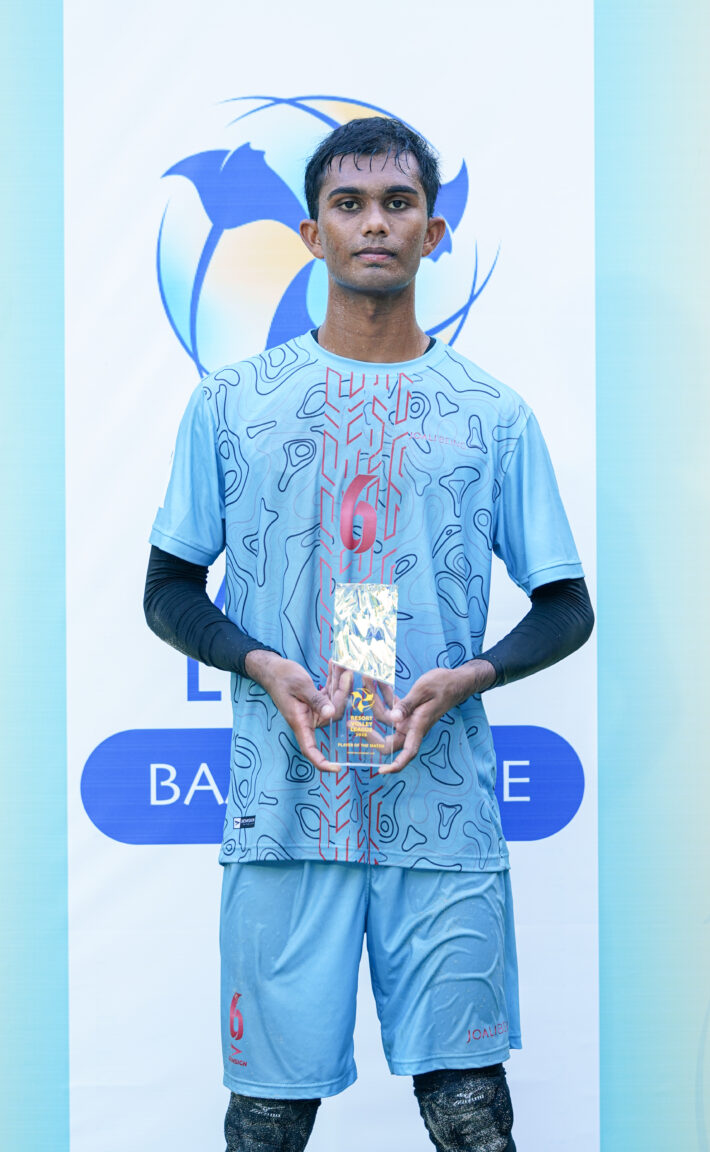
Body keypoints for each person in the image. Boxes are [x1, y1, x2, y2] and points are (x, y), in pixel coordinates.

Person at [145, 116, 593, 1152]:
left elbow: (566, 605)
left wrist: (469, 677)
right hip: (283, 809)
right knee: (266, 1120)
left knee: (471, 1113)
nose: (375, 224)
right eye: (349, 204)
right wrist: (259, 662)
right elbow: (169, 589)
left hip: (441, 815)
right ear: (312, 234)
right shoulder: (232, 405)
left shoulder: (491, 414)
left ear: (433, 233)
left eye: (399, 203)